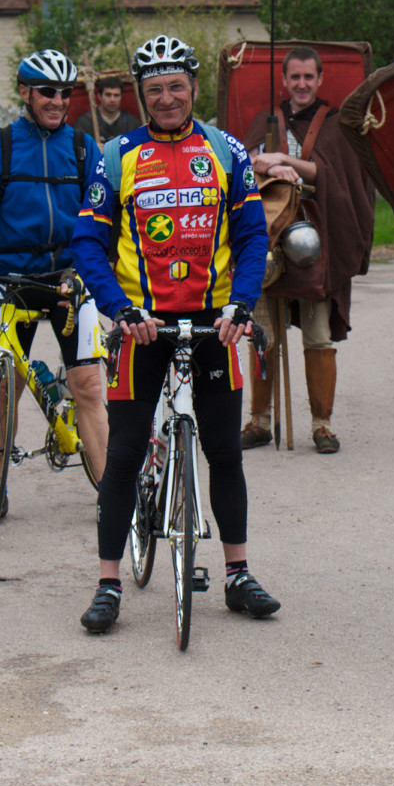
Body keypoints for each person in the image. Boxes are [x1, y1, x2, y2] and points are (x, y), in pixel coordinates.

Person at [70, 34, 278, 635]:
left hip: (215, 322)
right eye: (155, 89)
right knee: (124, 455)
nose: (166, 98)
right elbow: (88, 243)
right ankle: (108, 584)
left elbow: (252, 236)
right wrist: (118, 309)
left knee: (225, 452)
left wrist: (242, 303)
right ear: (142, 94)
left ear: (194, 88)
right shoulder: (117, 155)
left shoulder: (225, 150)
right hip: (142, 327)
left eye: (176, 87)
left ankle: (237, 574)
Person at [0, 49, 108, 522]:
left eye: (65, 92)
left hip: (69, 280)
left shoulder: (82, 147)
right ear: (25, 92)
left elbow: (104, 212)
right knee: (6, 386)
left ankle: (112, 493)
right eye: (47, 92)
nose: (57, 101)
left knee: (88, 385)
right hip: (13, 280)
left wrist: (94, 264)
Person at [240, 45, 375, 454]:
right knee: (263, 334)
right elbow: (244, 166)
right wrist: (263, 162)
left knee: (317, 336)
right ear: (284, 80)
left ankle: (322, 425)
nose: (301, 84)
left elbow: (334, 175)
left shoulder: (335, 125)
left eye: (308, 77)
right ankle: (260, 420)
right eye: (294, 77)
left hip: (316, 241)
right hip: (268, 239)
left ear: (319, 79)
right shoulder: (266, 121)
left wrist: (286, 159)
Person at [75, 75, 140, 148]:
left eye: (116, 95)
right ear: (99, 96)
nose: (112, 100)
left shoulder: (132, 123)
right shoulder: (84, 122)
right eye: (108, 95)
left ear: (121, 97)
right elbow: (78, 148)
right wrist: (92, 149)